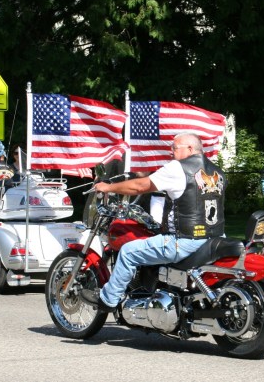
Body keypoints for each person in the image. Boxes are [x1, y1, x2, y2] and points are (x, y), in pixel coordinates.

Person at [82, 132, 227, 312]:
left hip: (184, 241)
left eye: (174, 148)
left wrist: (108, 187)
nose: (170, 152)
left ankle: (108, 300)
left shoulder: (178, 168)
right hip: (215, 238)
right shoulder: (216, 171)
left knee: (127, 252)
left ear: (190, 148)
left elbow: (140, 186)